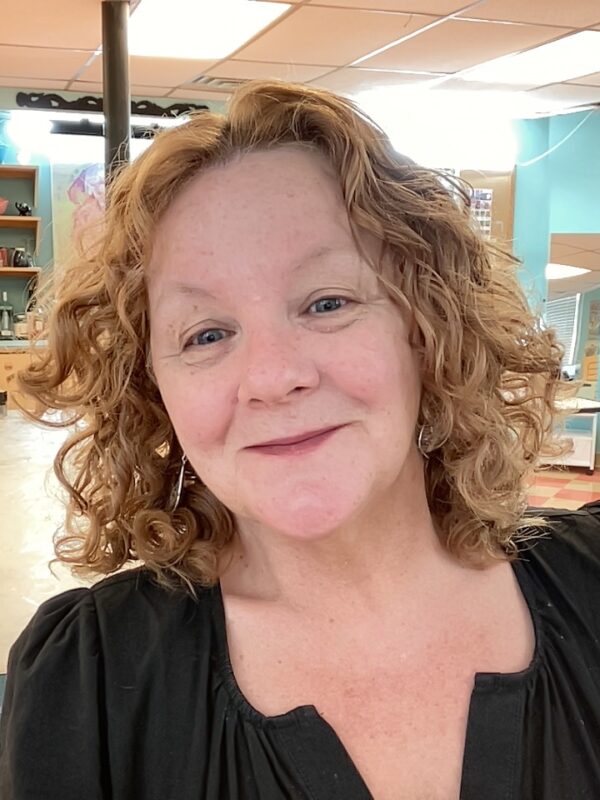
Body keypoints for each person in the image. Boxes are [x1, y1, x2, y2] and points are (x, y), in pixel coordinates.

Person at [1, 80, 599, 800]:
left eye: (326, 302)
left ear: (427, 330)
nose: (273, 377)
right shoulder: (90, 685)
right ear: (152, 390)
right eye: (206, 335)